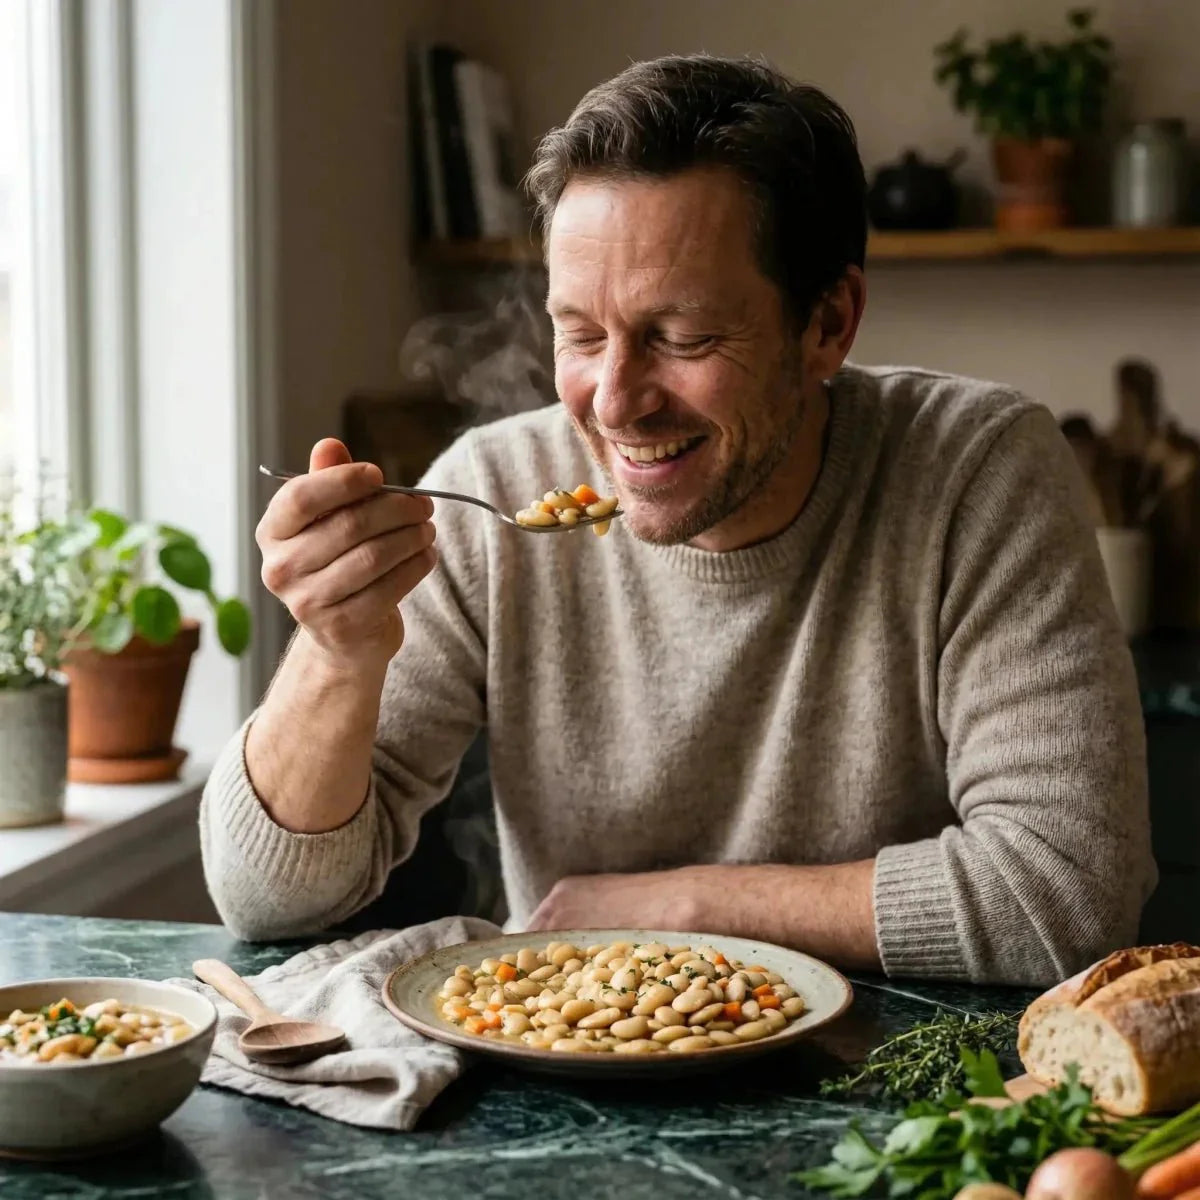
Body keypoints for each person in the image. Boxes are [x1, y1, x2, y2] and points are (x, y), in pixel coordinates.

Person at [200, 54, 1155, 986]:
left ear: (828, 324)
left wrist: (681, 908)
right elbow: (267, 902)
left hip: (895, 1093)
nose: (614, 403)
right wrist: (335, 652)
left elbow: (1066, 890)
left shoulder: (977, 470)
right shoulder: (492, 488)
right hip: (579, 1091)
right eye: (579, 334)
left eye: (682, 337)